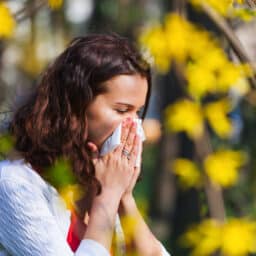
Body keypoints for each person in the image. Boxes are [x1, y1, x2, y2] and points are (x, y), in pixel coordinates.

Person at [0, 34, 170, 256]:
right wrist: (107, 199)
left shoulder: (95, 183)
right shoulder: (14, 185)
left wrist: (124, 198)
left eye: (137, 112)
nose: (134, 125)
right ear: (75, 106)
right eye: (121, 110)